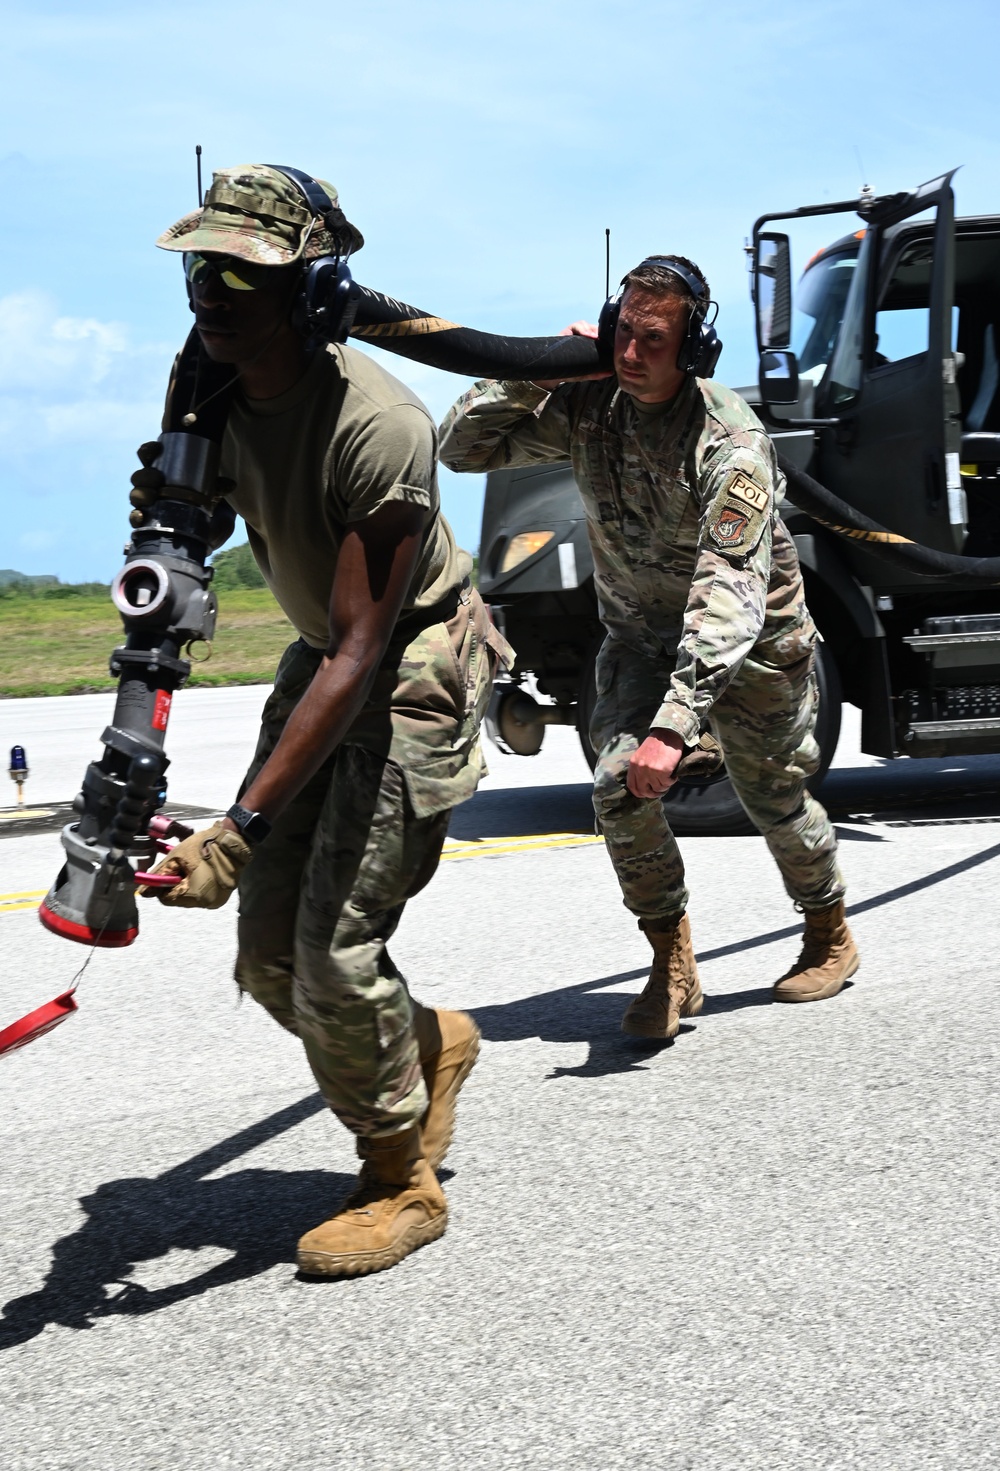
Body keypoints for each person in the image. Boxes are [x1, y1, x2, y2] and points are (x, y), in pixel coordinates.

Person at [144, 164, 510, 1277]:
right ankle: (425, 1048)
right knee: (265, 961)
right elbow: (176, 521)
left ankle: (401, 1181)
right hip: (327, 660)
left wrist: (239, 826)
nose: (211, 292)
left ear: (309, 292)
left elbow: (362, 647)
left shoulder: (379, 423)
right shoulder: (209, 380)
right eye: (201, 268)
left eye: (243, 274)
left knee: (333, 955)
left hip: (410, 666)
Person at [438, 255, 858, 1039]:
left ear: (692, 346)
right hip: (639, 639)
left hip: (753, 646)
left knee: (773, 799)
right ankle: (672, 960)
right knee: (616, 788)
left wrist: (675, 726)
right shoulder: (593, 406)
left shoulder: (730, 443)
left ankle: (828, 928)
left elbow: (728, 593)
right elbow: (461, 449)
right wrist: (539, 375)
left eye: (652, 339)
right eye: (621, 331)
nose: (630, 354)